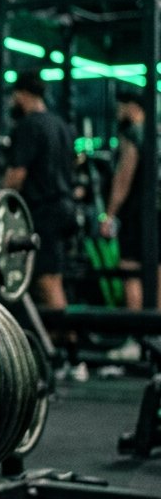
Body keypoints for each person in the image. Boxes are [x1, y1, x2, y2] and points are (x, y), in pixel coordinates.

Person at [1, 70, 82, 373]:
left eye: (14, 96)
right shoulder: (62, 126)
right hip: (63, 209)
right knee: (50, 280)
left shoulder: (29, 126)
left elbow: (17, 175)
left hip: (42, 212)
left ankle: (68, 356)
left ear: (22, 94)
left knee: (47, 282)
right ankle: (58, 351)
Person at [100, 87, 161, 323]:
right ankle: (155, 334)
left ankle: (137, 333)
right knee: (157, 271)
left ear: (131, 107)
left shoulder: (133, 134)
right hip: (157, 212)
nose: (118, 113)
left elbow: (123, 179)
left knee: (130, 270)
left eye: (120, 107)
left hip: (137, 214)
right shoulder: (157, 132)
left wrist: (109, 215)